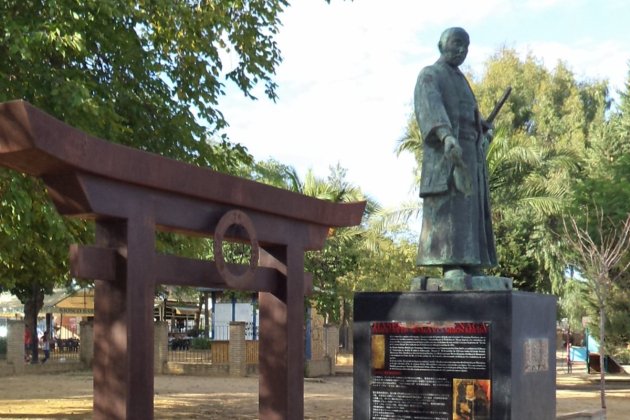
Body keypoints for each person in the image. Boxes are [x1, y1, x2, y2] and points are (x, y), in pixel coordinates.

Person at [414, 27, 497, 278]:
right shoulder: (430, 75)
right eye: (457, 43)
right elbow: (431, 107)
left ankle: (471, 262)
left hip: (471, 156)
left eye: (466, 46)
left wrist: (481, 128)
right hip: (446, 154)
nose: (462, 50)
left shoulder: (462, 80)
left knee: (469, 208)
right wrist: (446, 136)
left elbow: (468, 115)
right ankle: (451, 264)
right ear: (441, 45)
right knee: (450, 208)